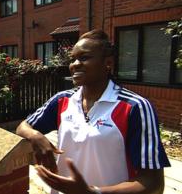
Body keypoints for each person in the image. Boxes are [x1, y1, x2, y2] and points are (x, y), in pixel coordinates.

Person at [16, 30, 170, 194]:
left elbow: (153, 184)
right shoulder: (62, 100)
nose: (75, 64)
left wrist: (92, 192)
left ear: (108, 63)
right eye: (73, 59)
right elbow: (23, 127)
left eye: (84, 58)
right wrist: (36, 137)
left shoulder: (135, 107)